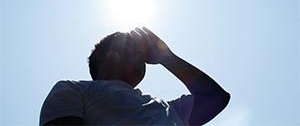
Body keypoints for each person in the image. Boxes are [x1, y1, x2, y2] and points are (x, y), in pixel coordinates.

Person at [40, 27, 230, 125]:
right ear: (102, 54)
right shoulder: (73, 90)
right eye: (129, 45)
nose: (141, 53)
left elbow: (215, 98)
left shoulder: (168, 109)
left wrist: (167, 58)